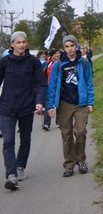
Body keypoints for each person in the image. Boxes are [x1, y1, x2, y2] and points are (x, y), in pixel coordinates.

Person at [0, 32, 45, 190]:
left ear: (26, 43)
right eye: (18, 42)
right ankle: (11, 175)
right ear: (12, 44)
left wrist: (39, 101)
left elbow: (40, 83)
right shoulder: (4, 62)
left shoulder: (33, 62)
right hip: (7, 107)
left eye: (23, 42)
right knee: (8, 141)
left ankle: (20, 167)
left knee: (25, 140)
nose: (21, 45)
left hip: (26, 106)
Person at [45, 35, 95, 178]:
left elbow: (89, 83)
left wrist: (90, 102)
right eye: (66, 47)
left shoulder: (84, 63)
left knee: (80, 132)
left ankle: (81, 160)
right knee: (66, 134)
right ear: (63, 48)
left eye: (71, 46)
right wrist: (50, 105)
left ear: (76, 46)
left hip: (81, 102)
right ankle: (69, 164)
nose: (69, 49)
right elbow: (52, 85)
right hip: (64, 103)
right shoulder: (59, 64)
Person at [42, 49, 60, 131]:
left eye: (57, 53)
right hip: (49, 86)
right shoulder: (47, 63)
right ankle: (46, 124)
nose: (57, 54)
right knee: (48, 105)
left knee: (59, 104)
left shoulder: (60, 63)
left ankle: (59, 122)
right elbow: (43, 74)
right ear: (52, 55)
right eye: (55, 53)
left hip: (59, 86)